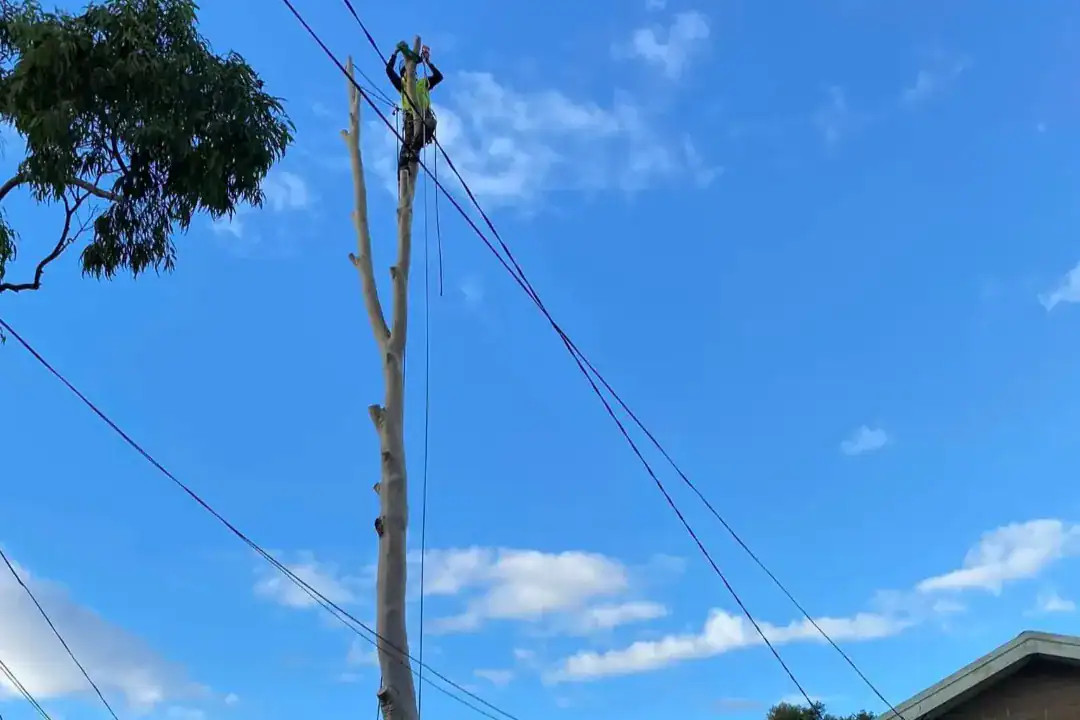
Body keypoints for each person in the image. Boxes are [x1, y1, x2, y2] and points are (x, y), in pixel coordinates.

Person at [386, 44, 443, 169]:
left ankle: (414, 149)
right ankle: (404, 166)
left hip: (424, 115)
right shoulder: (402, 84)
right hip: (410, 117)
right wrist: (395, 53)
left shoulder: (423, 83)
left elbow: (439, 77)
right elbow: (389, 70)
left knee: (431, 124)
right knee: (407, 141)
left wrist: (428, 62)